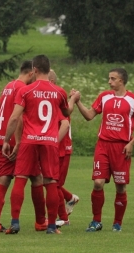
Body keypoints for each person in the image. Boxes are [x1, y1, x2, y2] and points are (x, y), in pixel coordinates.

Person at [2, 55, 79, 235]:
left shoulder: (26, 91)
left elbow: (15, 118)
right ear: (48, 68)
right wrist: (73, 99)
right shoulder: (59, 92)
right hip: (50, 142)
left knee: (20, 178)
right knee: (51, 182)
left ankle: (14, 223)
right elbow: (66, 112)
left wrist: (7, 140)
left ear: (34, 70)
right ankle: (51, 226)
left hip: (29, 140)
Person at [71, 68, 134, 232]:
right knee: (98, 183)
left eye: (112, 79)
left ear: (121, 81)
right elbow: (90, 115)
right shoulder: (104, 96)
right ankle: (96, 221)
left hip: (122, 148)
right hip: (103, 145)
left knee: (120, 186)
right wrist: (77, 102)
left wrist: (131, 143)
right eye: (109, 78)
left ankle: (117, 223)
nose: (109, 81)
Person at [0, 60, 47, 232]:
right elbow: (18, 116)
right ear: (31, 73)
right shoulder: (22, 88)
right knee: (36, 177)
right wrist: (18, 141)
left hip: (2, 136)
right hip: (16, 137)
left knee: (4, 179)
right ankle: (41, 221)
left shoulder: (9, 85)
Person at [48, 70, 79, 226]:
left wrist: (73, 100)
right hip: (52, 145)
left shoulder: (57, 95)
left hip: (62, 147)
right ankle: (69, 199)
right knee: (50, 182)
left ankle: (63, 218)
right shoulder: (48, 95)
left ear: (51, 80)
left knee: (54, 184)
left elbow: (65, 119)